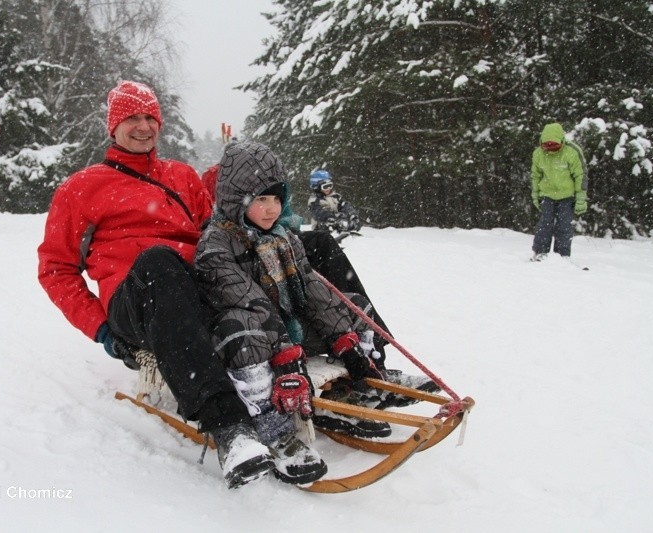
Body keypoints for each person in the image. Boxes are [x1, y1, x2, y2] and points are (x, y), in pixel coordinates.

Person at [37, 81, 274, 490]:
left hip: (195, 288)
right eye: (131, 117)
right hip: (137, 301)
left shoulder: (180, 175)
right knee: (159, 261)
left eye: (150, 116)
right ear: (113, 126)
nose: (143, 126)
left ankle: (362, 356)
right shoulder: (80, 188)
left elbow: (213, 232)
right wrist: (102, 329)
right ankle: (230, 427)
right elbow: (56, 269)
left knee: (301, 246)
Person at [195, 142, 437, 464]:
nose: (272, 209)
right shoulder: (217, 244)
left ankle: (360, 381)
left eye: (278, 198)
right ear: (234, 200)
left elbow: (311, 289)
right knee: (243, 330)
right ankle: (271, 424)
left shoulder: (285, 238)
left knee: (353, 306)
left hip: (289, 336)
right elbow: (250, 301)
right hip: (255, 341)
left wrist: (345, 341)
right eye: (261, 199)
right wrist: (284, 354)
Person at [530, 123, 588, 261]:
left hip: (567, 196)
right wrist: (535, 195)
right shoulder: (538, 154)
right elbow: (535, 176)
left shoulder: (572, 152)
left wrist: (581, 199)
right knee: (544, 225)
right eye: (546, 145)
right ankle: (540, 252)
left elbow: (581, 176)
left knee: (564, 227)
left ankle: (562, 256)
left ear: (562, 141)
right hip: (546, 195)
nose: (550, 149)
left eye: (554, 145)